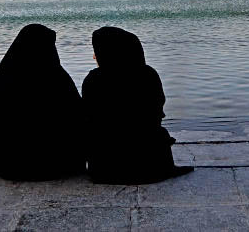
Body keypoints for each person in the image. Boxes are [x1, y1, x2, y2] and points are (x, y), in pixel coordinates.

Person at [82, 26, 193, 184]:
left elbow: (88, 118)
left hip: (104, 169)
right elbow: (156, 113)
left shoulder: (93, 80)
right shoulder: (147, 75)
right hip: (149, 167)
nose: (94, 56)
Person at [0, 24, 85, 180]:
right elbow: (79, 119)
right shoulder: (58, 79)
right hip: (58, 166)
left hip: (7, 166)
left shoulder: (3, 78)